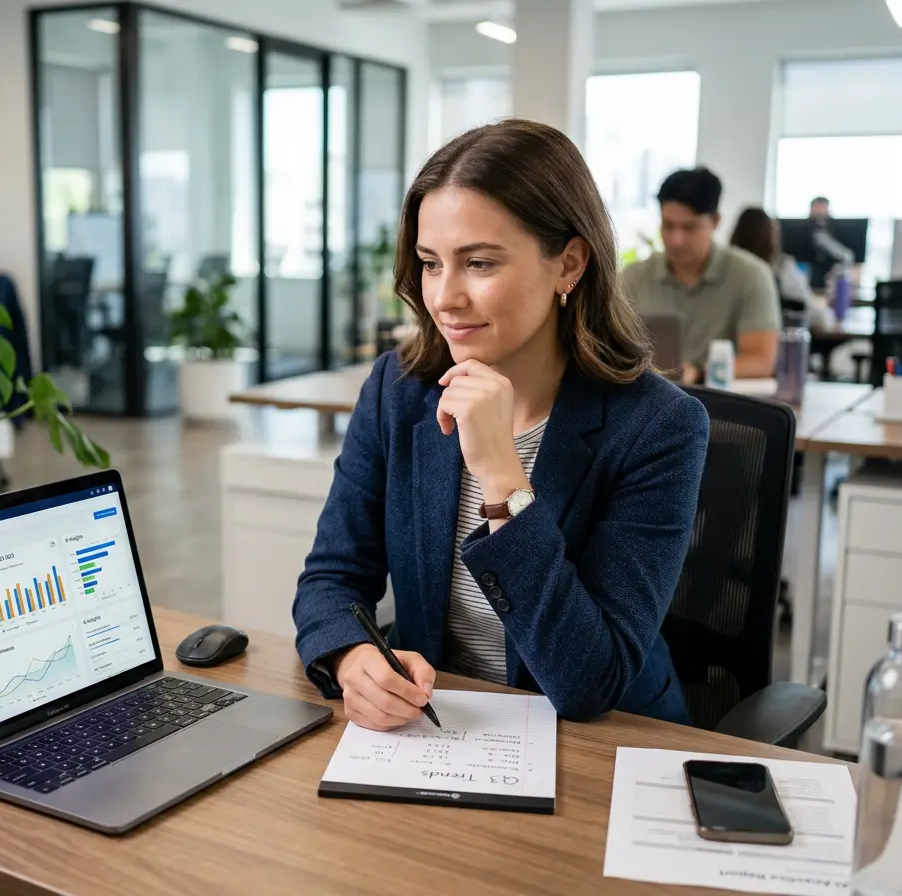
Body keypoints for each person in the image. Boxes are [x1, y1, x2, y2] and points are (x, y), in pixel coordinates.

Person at [293, 120, 710, 730]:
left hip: (602, 744)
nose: (445, 298)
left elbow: (589, 682)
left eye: (479, 263)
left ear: (569, 263)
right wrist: (352, 655)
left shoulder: (659, 427)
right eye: (431, 264)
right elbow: (332, 576)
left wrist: (500, 476)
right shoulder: (399, 390)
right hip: (440, 728)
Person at [622, 167, 779, 384]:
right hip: (649, 404)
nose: (676, 239)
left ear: (715, 221)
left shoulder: (750, 276)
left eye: (689, 228)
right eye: (668, 226)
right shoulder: (633, 278)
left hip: (721, 408)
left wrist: (698, 371)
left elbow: (761, 360)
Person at [730, 206, 830, 330]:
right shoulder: (782, 269)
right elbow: (821, 319)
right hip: (778, 344)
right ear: (771, 237)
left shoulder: (726, 270)